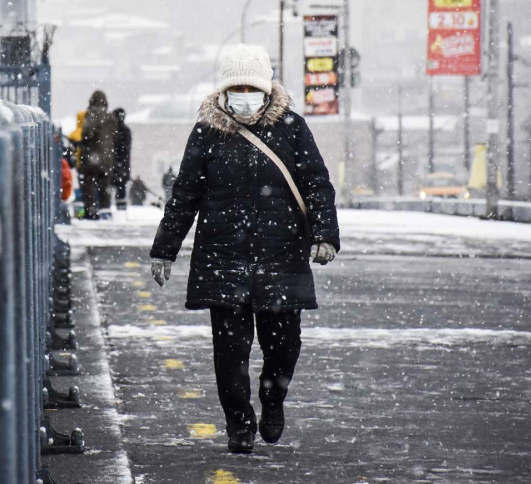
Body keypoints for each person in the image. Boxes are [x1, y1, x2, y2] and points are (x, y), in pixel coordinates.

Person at [149, 43, 340, 454]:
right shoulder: (207, 133)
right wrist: (164, 249)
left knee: (284, 347)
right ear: (222, 91)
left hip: (281, 257)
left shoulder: (292, 128)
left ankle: (272, 401)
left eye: (251, 87)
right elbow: (184, 196)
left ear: (267, 89)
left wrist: (325, 234)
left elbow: (316, 185)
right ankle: (239, 423)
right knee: (230, 353)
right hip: (223, 259)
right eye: (235, 87)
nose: (244, 95)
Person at [79, 90, 118, 220]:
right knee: (104, 184)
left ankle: (90, 211)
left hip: (92, 156)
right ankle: (105, 210)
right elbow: (115, 135)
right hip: (107, 157)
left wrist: (83, 141)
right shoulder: (111, 116)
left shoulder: (92, 114)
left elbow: (87, 133)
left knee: (89, 182)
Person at [112, 108, 132, 211]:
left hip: (116, 166)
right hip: (123, 167)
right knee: (121, 189)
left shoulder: (116, 131)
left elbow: (121, 149)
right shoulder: (126, 131)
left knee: (111, 189)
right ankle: (121, 210)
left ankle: (117, 210)